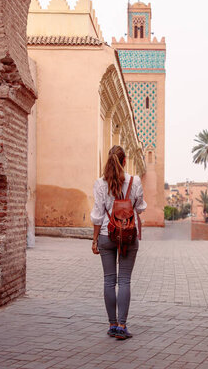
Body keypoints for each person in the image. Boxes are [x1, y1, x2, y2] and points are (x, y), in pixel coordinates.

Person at [90, 145, 147, 340]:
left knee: (108, 280)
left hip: (107, 234)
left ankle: (112, 324)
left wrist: (94, 239)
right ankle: (122, 326)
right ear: (124, 161)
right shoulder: (135, 181)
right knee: (124, 280)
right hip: (129, 236)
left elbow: (97, 216)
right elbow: (140, 208)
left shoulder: (100, 183)